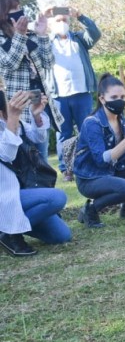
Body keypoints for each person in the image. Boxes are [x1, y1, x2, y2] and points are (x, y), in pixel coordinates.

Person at [73, 73, 125, 229]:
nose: (120, 101)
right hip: (91, 179)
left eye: (123, 96)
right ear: (102, 99)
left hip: (111, 171)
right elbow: (101, 160)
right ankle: (90, 209)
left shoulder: (119, 118)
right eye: (114, 97)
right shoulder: (92, 123)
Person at [0, 89, 72, 256]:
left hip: (24, 192)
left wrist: (37, 114)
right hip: (5, 196)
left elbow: (38, 137)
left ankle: (12, 228)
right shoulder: (10, 120)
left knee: (62, 236)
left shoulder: (9, 120)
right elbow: (6, 154)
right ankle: (9, 233)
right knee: (57, 197)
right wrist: (12, 118)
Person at [47, 7, 102, 181]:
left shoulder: (79, 39)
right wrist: (43, 14)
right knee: (63, 133)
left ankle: (92, 162)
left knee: (87, 129)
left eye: (65, 20)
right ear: (51, 24)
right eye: (58, 20)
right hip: (58, 96)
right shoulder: (46, 43)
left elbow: (95, 33)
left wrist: (80, 15)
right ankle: (67, 170)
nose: (62, 23)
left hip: (81, 92)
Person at [0, 0, 55, 162]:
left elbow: (48, 62)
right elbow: (10, 63)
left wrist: (42, 34)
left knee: (41, 157)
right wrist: (20, 36)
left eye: (20, 7)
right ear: (4, 14)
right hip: (16, 107)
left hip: (38, 103)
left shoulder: (30, 35)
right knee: (22, 158)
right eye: (14, 9)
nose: (20, 12)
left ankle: (46, 186)